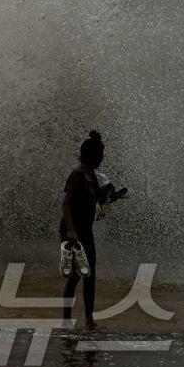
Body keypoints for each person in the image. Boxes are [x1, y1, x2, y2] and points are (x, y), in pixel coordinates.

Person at [60, 130, 106, 330]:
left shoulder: (93, 177)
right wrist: (71, 230)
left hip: (86, 230)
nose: (102, 159)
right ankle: (67, 319)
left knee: (90, 274)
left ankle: (89, 319)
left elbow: (96, 199)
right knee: (77, 275)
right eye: (100, 155)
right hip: (73, 231)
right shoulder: (77, 175)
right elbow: (66, 205)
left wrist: (107, 202)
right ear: (92, 156)